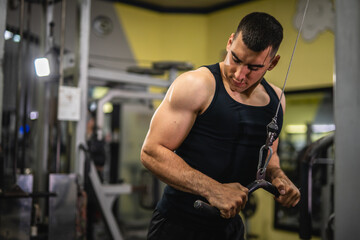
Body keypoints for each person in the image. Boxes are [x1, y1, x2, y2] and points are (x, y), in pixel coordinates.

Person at [140, 12, 301, 240]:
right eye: (235, 58)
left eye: (253, 68)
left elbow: (269, 154)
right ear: (230, 42)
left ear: (272, 63)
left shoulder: (277, 100)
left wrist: (278, 177)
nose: (239, 74)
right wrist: (213, 189)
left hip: (230, 228)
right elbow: (151, 152)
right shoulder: (197, 85)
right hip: (177, 225)